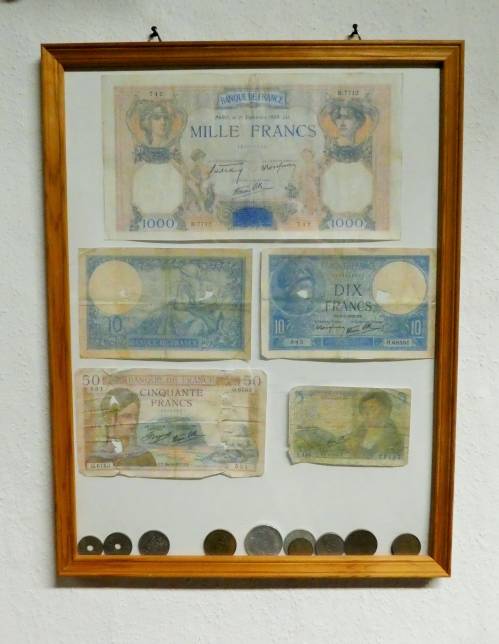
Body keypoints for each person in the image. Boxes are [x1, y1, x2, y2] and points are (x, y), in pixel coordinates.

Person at [88, 388, 156, 468]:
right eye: (127, 416)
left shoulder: (146, 458)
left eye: (136, 416)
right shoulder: (96, 459)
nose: (134, 422)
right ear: (109, 419)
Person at [345, 390, 404, 460]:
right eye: (364, 408)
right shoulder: (356, 434)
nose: (366, 413)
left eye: (372, 408)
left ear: (385, 411)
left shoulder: (394, 440)